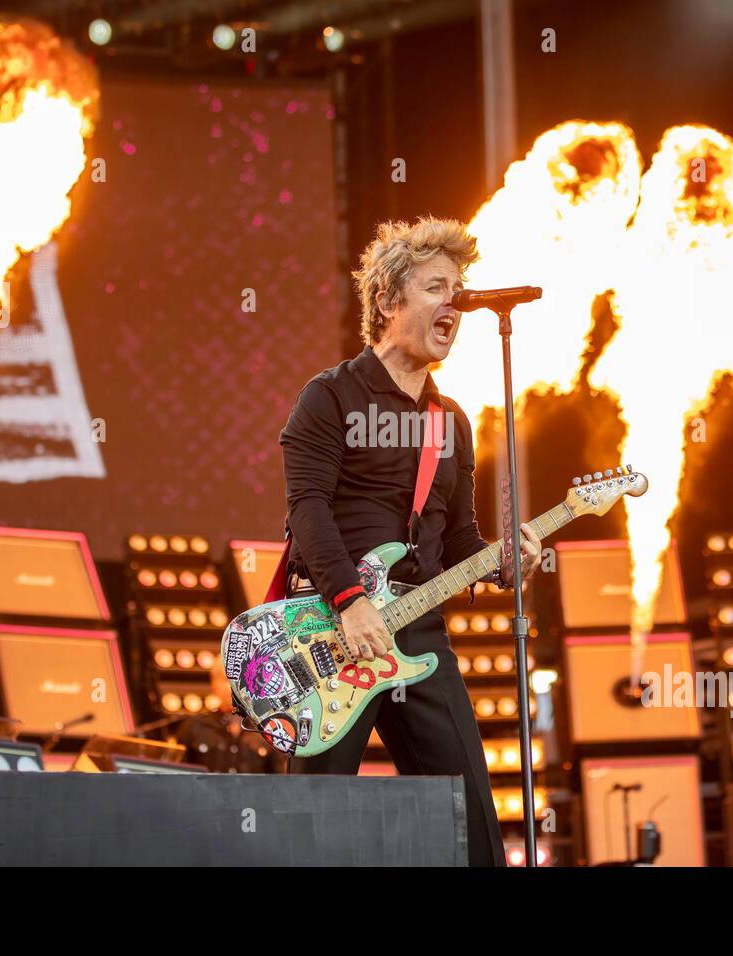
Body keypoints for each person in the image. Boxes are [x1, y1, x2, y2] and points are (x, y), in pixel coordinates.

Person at [278, 216, 542, 867]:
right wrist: (348, 599)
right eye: (435, 287)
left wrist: (505, 563)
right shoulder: (330, 397)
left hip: (418, 636)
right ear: (390, 300)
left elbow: (458, 544)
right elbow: (306, 510)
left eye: (459, 289)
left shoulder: (450, 423)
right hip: (332, 630)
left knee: (470, 820)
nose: (454, 302)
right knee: (306, 826)